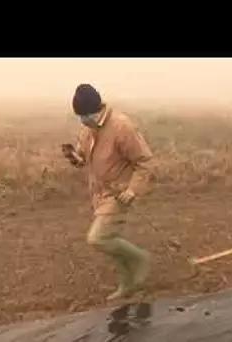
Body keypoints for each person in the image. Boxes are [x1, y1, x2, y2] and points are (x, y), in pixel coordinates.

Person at [62, 84, 154, 301]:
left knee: (98, 238)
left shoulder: (122, 127)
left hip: (119, 193)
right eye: (80, 116)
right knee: (111, 240)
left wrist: (132, 190)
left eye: (85, 115)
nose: (83, 120)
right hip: (99, 193)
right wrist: (74, 157)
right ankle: (126, 283)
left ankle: (141, 259)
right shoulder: (88, 129)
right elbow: (85, 158)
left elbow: (145, 162)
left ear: (98, 108)